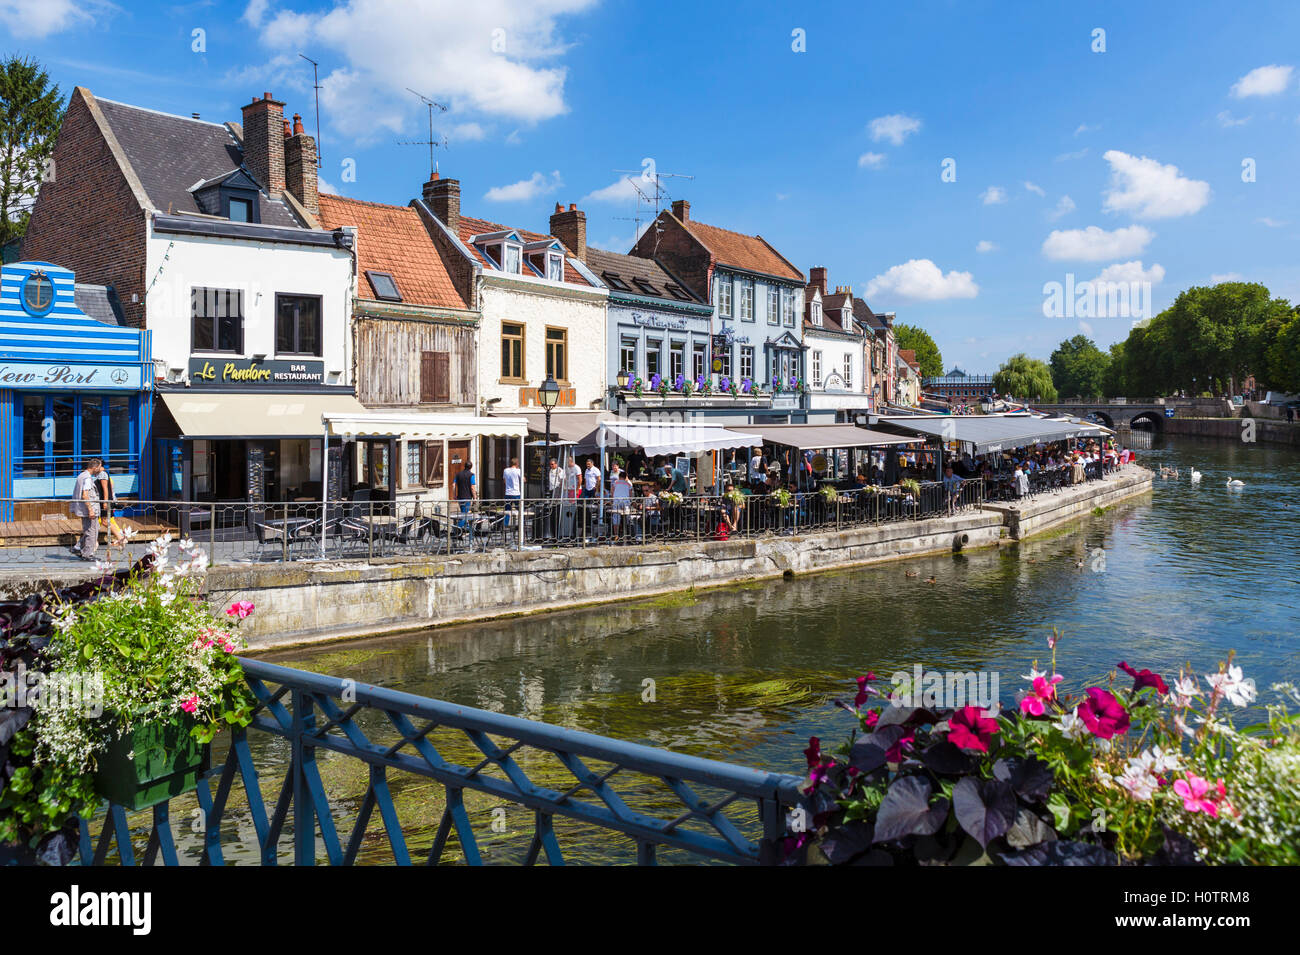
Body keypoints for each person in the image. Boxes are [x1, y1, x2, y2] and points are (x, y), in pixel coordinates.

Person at [69, 458, 104, 561]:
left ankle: (81, 549)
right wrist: (90, 510)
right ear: (94, 467)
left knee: (91, 529)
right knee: (91, 532)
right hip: (89, 509)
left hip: (84, 509)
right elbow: (85, 495)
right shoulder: (87, 478)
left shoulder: (81, 475)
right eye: (99, 467)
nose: (100, 469)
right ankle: (87, 554)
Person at [96, 467, 128, 558]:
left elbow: (107, 491)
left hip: (106, 503)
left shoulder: (103, 475)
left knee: (106, 521)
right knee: (107, 521)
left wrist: (106, 502)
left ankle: (121, 538)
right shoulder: (104, 476)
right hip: (106, 502)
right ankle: (121, 538)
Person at [453, 460, 476, 527]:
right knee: (464, 514)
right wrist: (475, 497)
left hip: (460, 496)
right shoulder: (471, 475)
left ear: (464, 466)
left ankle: (466, 527)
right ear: (471, 467)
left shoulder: (458, 474)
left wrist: (454, 495)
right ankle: (457, 528)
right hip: (467, 497)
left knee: (463, 512)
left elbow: (453, 485)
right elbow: (472, 487)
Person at [503, 456, 522, 527]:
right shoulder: (518, 471)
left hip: (507, 493)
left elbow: (504, 480)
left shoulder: (506, 470)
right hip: (516, 493)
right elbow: (523, 480)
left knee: (507, 510)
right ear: (517, 463)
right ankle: (520, 524)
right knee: (519, 509)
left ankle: (505, 524)